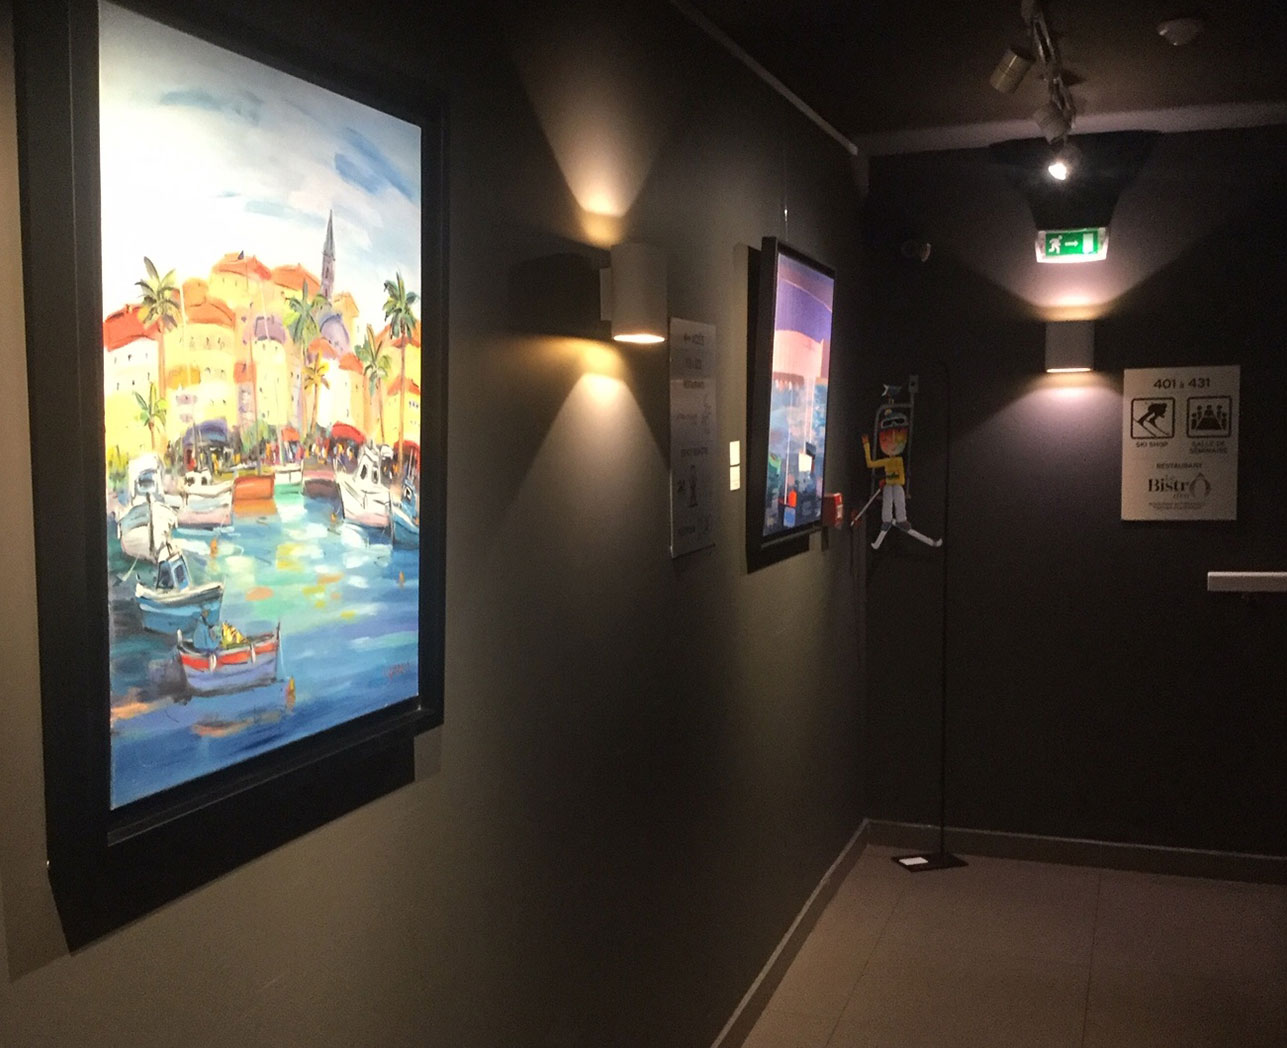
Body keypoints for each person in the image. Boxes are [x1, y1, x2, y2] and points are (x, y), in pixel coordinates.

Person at [862, 409, 942, 550]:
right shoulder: (887, 461)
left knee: (898, 494)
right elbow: (870, 463)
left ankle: (901, 519)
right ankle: (886, 521)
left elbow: (901, 479)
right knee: (887, 501)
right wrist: (866, 445)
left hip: (895, 485)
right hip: (889, 486)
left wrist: (888, 479)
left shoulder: (898, 461)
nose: (892, 443)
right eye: (886, 439)